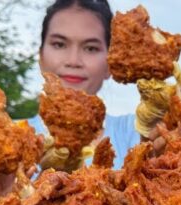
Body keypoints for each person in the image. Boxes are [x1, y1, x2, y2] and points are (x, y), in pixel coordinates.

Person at [28, 0, 140, 169]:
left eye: (90, 48)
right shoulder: (7, 140)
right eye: (59, 44)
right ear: (41, 56)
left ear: (110, 62)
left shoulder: (138, 134)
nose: (73, 61)